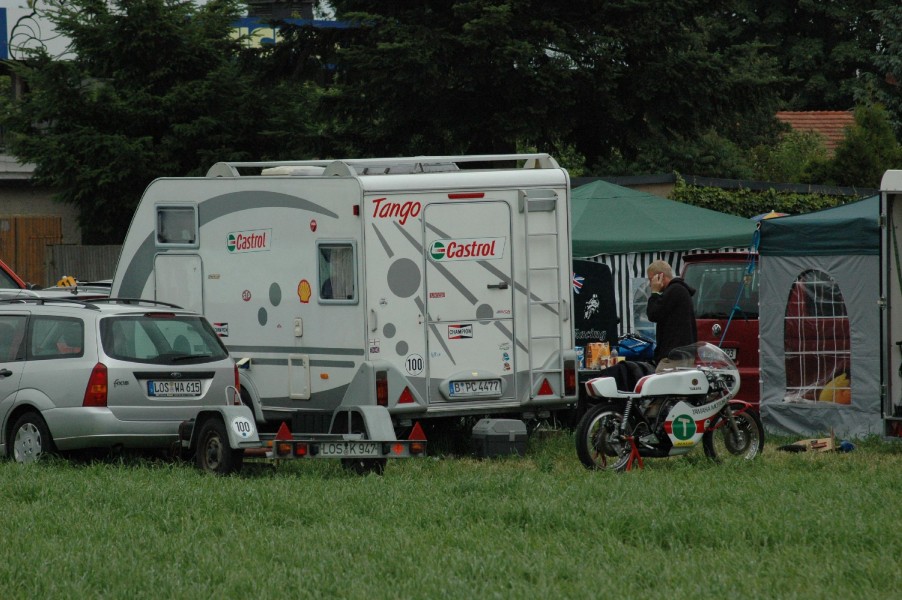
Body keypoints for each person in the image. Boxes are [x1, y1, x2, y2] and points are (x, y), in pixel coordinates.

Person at [646, 260, 697, 364]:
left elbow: (653, 314)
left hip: (674, 356)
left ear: (661, 277)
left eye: (651, 279)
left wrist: (654, 293)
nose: (650, 284)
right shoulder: (678, 290)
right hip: (682, 354)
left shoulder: (674, 291)